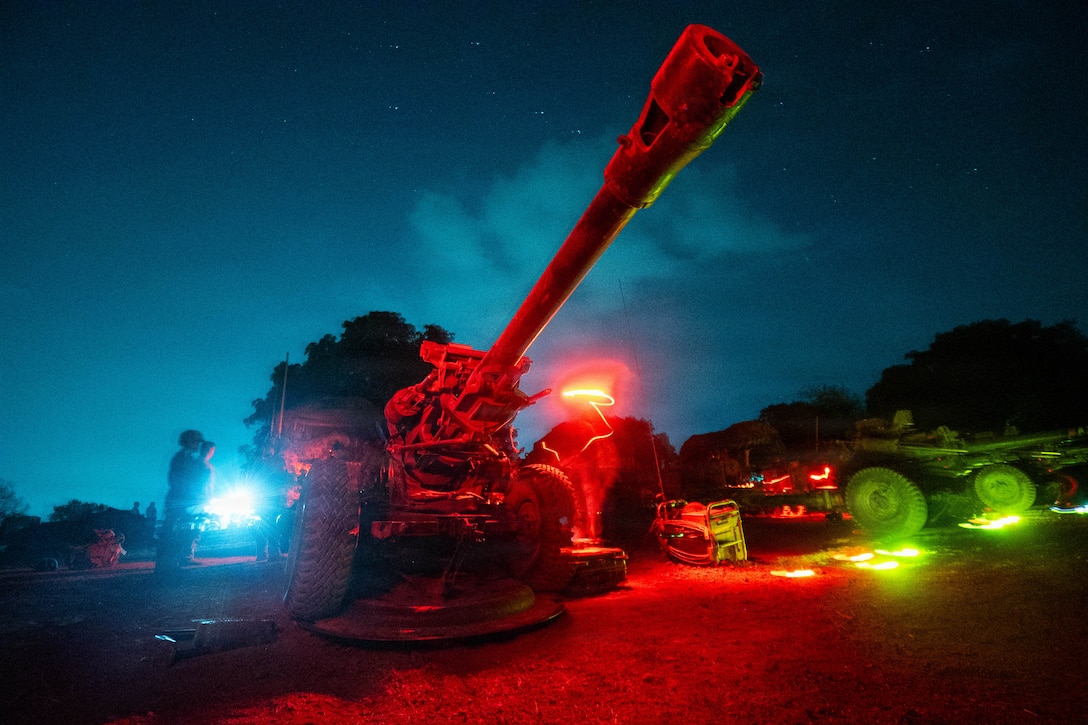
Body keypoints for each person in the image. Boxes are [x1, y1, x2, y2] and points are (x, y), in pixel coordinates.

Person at [156, 429, 209, 575]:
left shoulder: (187, 458)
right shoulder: (181, 458)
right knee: (173, 533)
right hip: (179, 501)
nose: (197, 445)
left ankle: (172, 566)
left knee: (181, 533)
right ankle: (165, 569)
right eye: (196, 442)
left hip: (183, 501)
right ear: (189, 442)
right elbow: (178, 481)